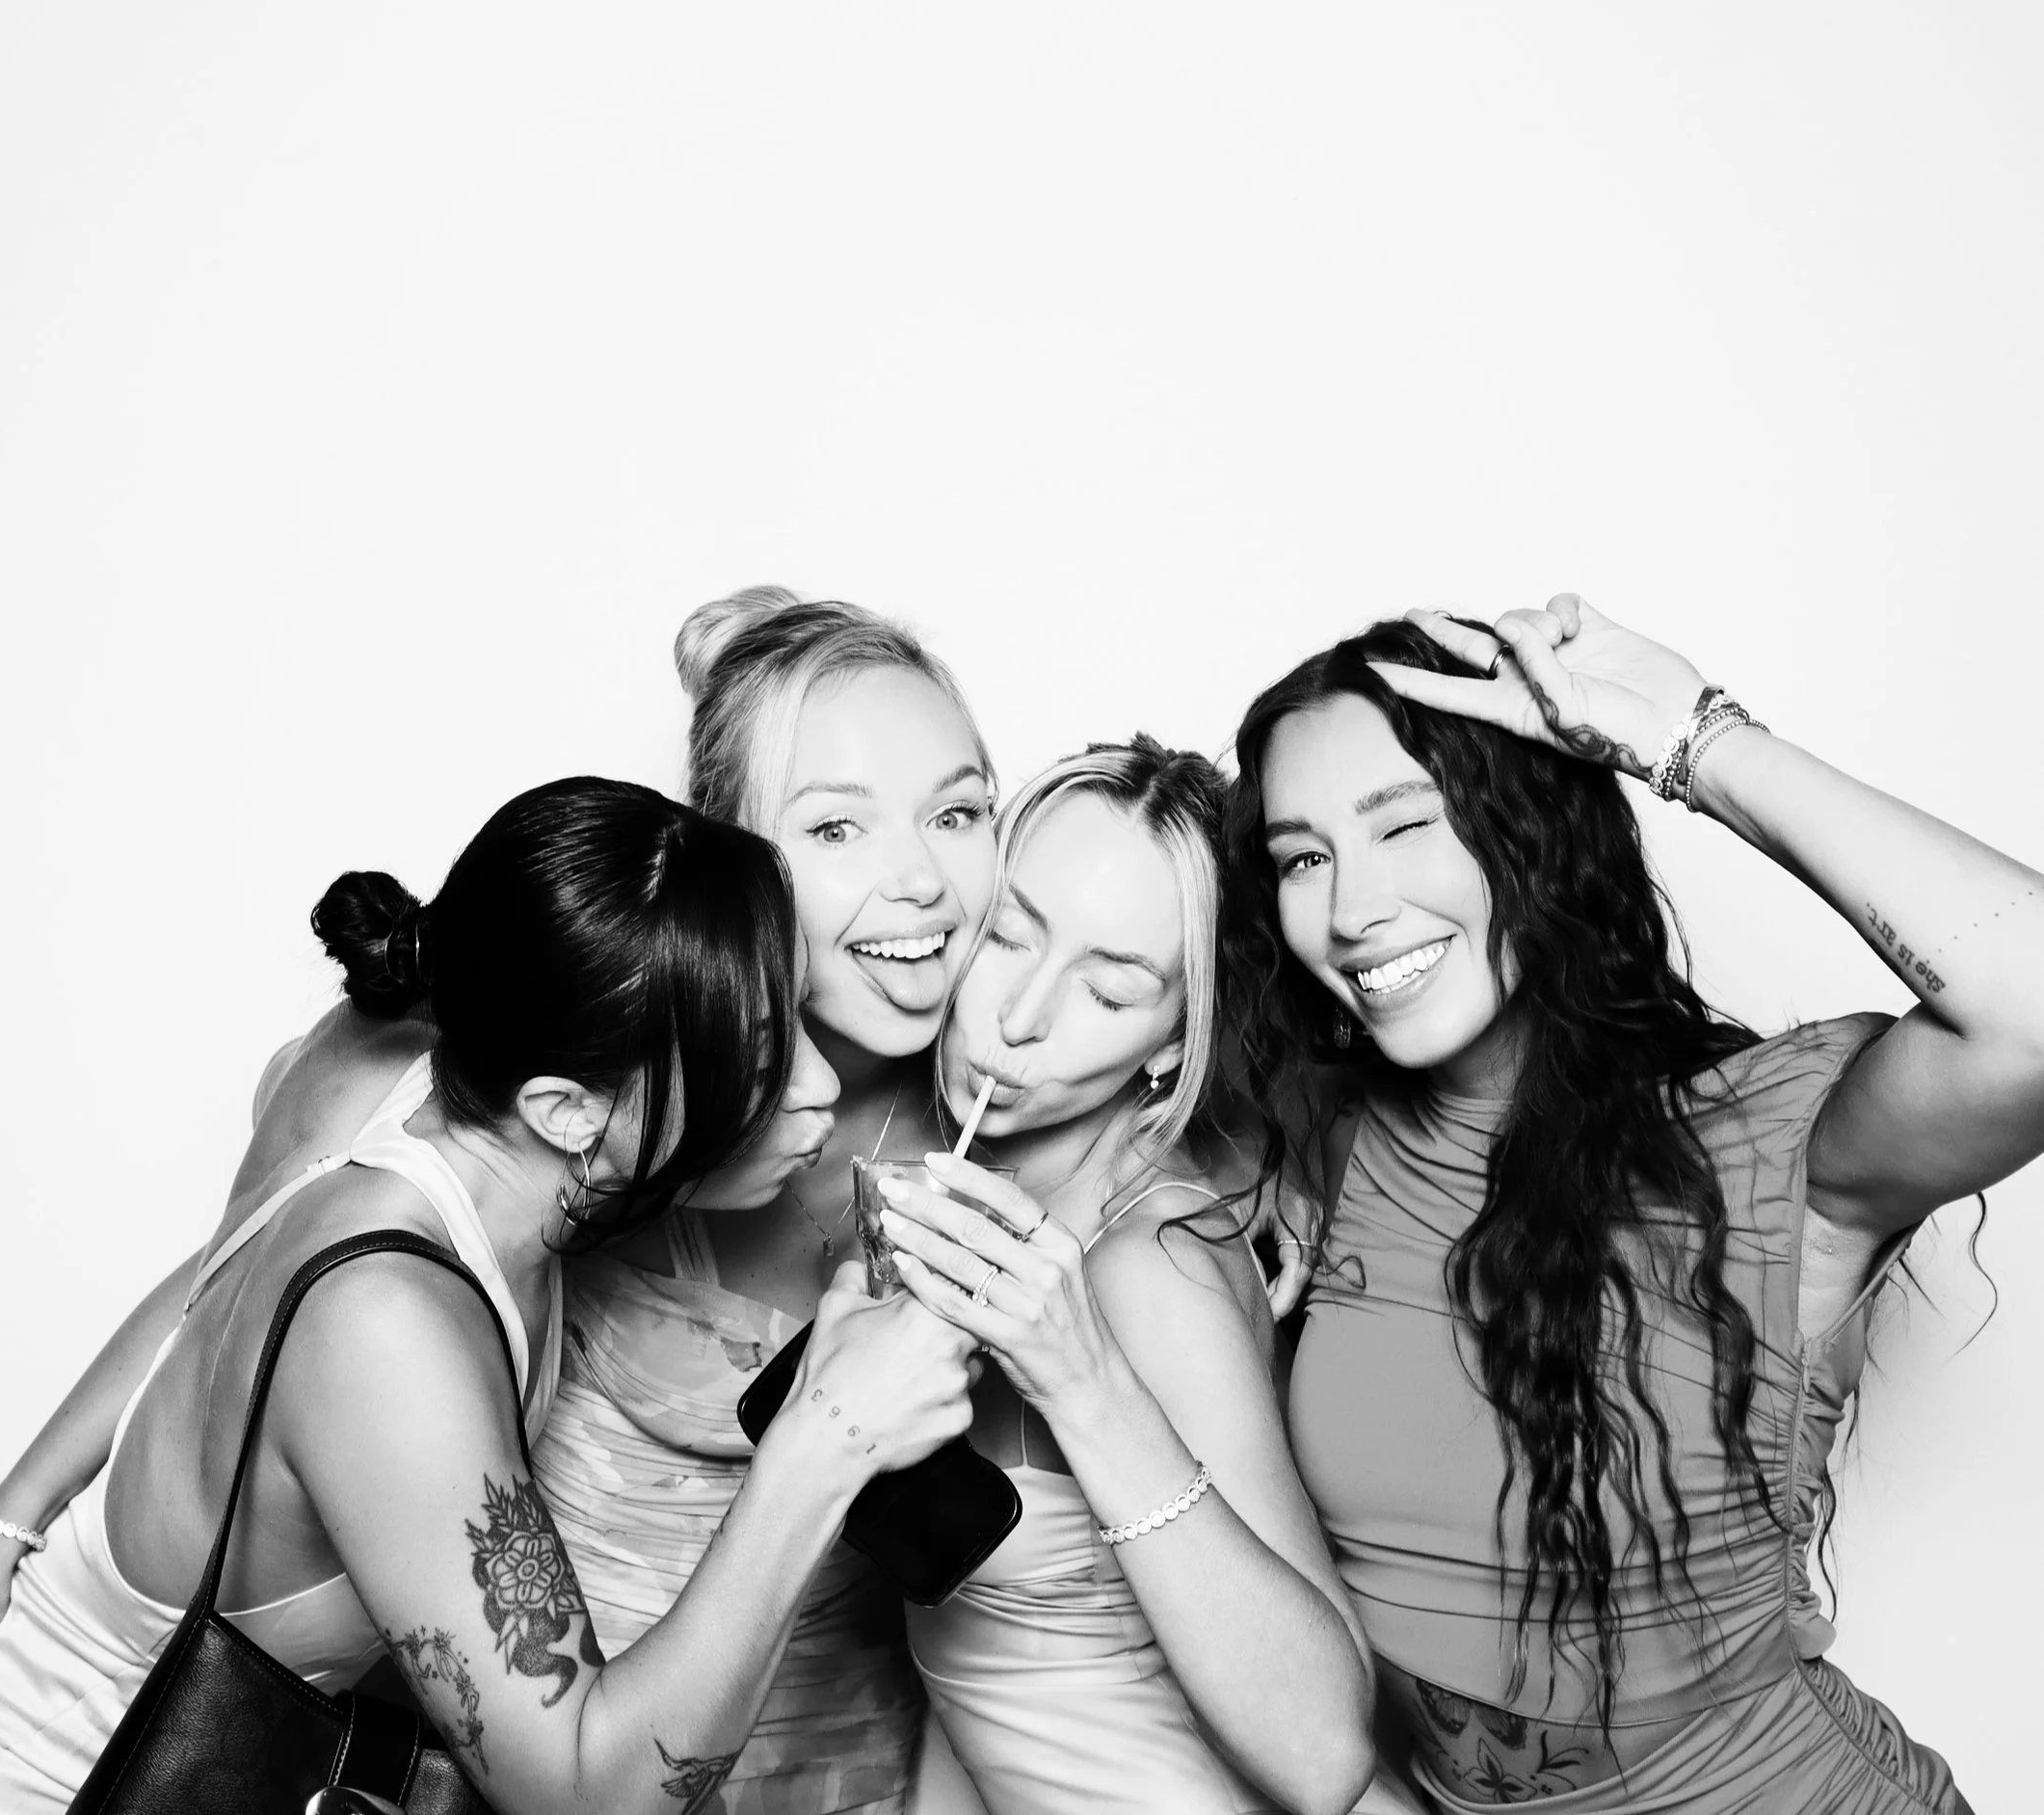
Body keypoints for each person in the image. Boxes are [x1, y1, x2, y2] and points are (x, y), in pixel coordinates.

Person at [0, 777, 980, 1815]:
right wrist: (822, 1443)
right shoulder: (391, 1330)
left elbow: (211, 1276)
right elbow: (584, 1795)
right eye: (762, 1056)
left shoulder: (419, 1078)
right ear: (568, 1112)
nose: (820, 1087)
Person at [1221, 595, 2041, 1813]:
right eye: (1303, 856)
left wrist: (1690, 740)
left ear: (1533, 835)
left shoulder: (1757, 1142)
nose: (1350, 908)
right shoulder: (1325, 1143)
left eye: (1407, 826)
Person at [530, 587, 1003, 1815]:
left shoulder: (1022, 1125)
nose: (919, 882)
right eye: (838, 830)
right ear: (721, 853)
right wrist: (8, 1525)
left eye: (956, 813)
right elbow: (289, 1257)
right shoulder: (603, 1085)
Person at [872, 739, 1377, 1815]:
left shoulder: (1152, 1262)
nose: (1020, 1016)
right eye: (1007, 934)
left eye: (1108, 990)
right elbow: (986, 1682)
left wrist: (1083, 1380)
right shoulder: (942, 1184)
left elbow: (1327, 1755)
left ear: (1169, 1038)